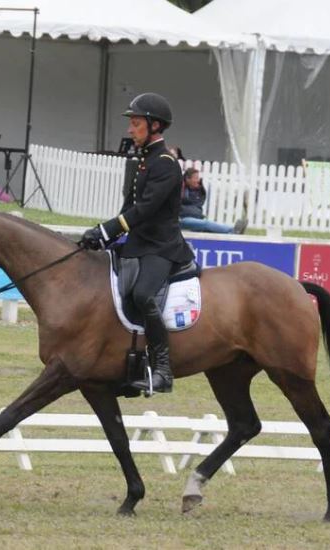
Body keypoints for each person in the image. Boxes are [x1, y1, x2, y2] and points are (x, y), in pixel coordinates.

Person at [81, 92, 192, 394]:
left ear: (155, 126)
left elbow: (145, 211)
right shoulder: (142, 161)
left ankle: (163, 370)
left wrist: (107, 230)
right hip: (138, 244)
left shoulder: (166, 163)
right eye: (131, 123)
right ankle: (126, 365)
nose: (130, 129)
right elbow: (128, 207)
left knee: (143, 295)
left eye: (136, 123)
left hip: (162, 247)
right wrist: (105, 236)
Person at [179, 167, 247, 234]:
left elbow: (197, 206)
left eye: (198, 178)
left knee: (210, 228)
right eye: (196, 178)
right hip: (183, 219)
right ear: (187, 179)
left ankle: (232, 233)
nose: (198, 180)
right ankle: (233, 230)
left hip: (196, 218)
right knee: (206, 223)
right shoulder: (180, 190)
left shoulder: (198, 191)